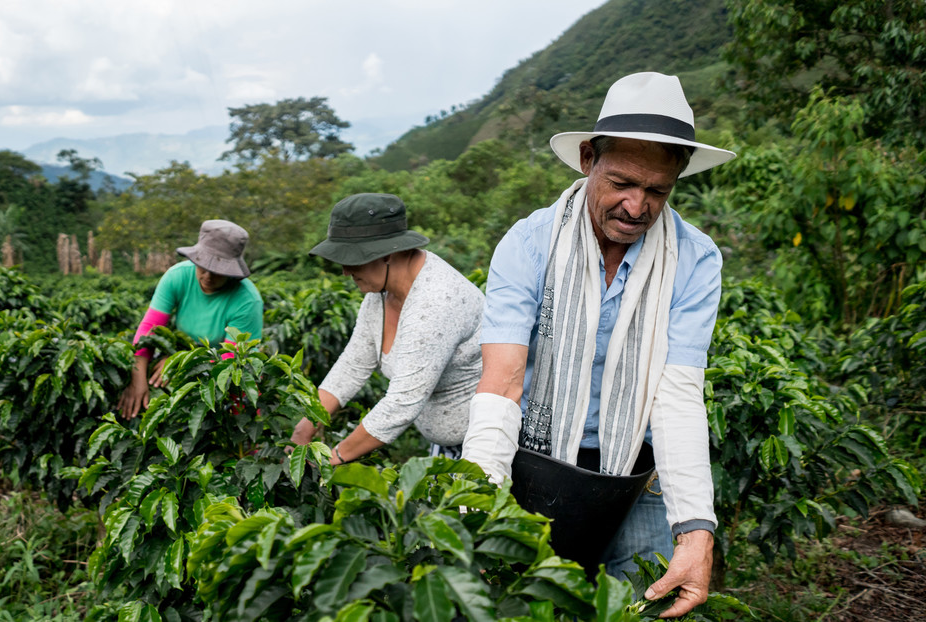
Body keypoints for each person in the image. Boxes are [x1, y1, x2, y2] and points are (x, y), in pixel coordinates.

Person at [461, 72, 736, 618]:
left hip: (637, 469)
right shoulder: (529, 243)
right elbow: (503, 381)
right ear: (588, 158)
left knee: (643, 606)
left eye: (657, 191)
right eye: (621, 183)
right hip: (537, 460)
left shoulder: (694, 259)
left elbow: (676, 394)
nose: (637, 207)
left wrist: (696, 529)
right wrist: (476, 499)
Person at [289, 193, 484, 465]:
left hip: (486, 446)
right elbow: (353, 365)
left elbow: (403, 403)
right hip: (446, 448)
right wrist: (305, 427)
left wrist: (334, 457)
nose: (345, 271)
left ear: (390, 254)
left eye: (353, 260)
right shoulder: (381, 294)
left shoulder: (436, 301)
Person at [118, 219, 263, 418]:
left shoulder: (247, 300)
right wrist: (138, 378)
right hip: (186, 362)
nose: (208, 276)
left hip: (233, 377)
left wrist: (182, 362)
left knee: (237, 431)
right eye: (203, 266)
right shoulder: (177, 276)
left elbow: (231, 361)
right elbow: (149, 329)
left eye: (218, 271)